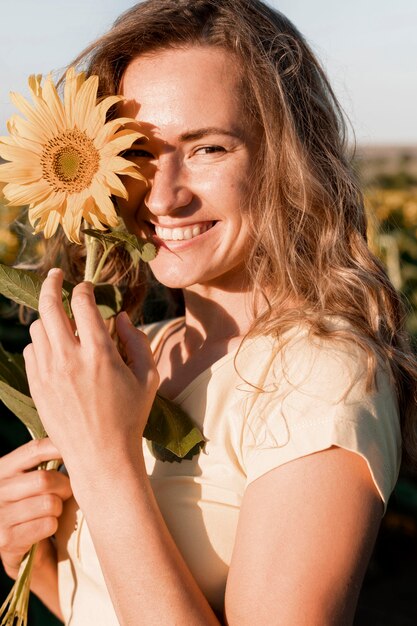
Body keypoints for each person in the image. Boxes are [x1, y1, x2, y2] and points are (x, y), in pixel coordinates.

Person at [0, 1, 416, 624]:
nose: (163, 194)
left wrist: (105, 469)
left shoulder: (318, 378)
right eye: (137, 152)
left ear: (286, 160)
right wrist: (30, 561)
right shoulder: (143, 348)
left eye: (209, 149)